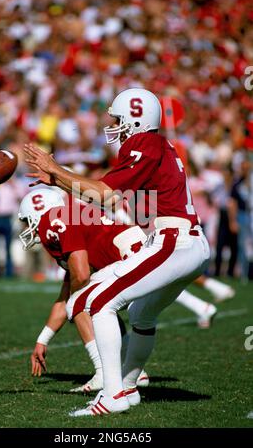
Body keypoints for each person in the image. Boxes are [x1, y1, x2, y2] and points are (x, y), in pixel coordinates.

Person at [24, 88, 210, 416]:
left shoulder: (143, 143)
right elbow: (102, 196)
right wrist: (58, 180)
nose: (115, 127)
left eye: (119, 120)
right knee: (140, 315)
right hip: (184, 241)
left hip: (174, 240)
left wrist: (56, 168)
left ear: (136, 119)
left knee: (98, 302)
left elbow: (105, 195)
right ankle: (128, 387)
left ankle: (112, 396)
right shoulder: (157, 144)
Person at [18, 187, 149, 391]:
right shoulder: (69, 219)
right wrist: (42, 341)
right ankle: (135, 373)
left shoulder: (52, 221)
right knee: (99, 306)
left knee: (80, 301)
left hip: (130, 257)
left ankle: (103, 373)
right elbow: (63, 299)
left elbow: (80, 278)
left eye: (27, 221)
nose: (28, 227)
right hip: (134, 254)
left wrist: (74, 298)